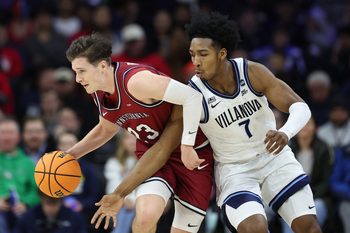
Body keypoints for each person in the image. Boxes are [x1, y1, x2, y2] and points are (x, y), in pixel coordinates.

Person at [181, 12, 321, 233]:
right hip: (235, 171)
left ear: (221, 53)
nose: (195, 61)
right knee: (255, 228)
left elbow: (300, 107)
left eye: (203, 54)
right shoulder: (192, 93)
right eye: (192, 55)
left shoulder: (251, 72)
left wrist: (285, 132)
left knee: (309, 227)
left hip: (274, 159)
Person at [64, 33, 213, 233]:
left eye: (81, 71)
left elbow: (193, 97)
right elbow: (106, 129)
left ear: (101, 66)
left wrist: (186, 145)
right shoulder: (98, 91)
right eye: (75, 72)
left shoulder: (136, 82)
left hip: (193, 152)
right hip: (153, 151)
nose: (77, 78)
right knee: (144, 218)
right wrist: (71, 155)